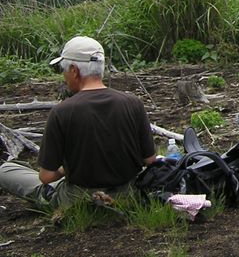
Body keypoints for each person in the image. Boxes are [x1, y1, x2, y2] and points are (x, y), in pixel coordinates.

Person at [0, 36, 156, 207]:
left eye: (63, 69)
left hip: (79, 199)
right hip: (129, 194)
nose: (64, 76)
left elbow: (46, 177)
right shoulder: (133, 103)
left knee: (6, 170)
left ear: (74, 70)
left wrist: (65, 169)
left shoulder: (61, 112)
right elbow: (150, 160)